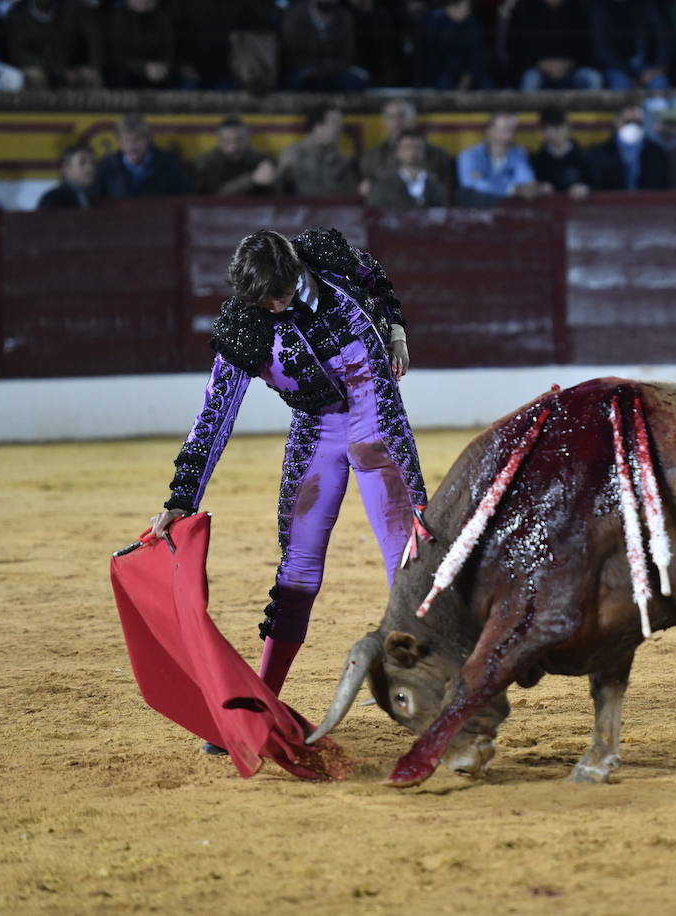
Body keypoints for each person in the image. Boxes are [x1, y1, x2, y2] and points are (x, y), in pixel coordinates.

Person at [146, 228, 429, 729]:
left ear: (294, 270)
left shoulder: (323, 253)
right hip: (317, 430)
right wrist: (182, 497)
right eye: (263, 301)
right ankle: (258, 706)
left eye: (278, 296)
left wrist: (398, 331)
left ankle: (424, 686)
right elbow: (215, 414)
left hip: (376, 419)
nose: (274, 308)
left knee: (407, 560)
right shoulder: (245, 323)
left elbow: (379, 282)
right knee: (297, 569)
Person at [358, 99, 455, 198]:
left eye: (402, 116)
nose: (396, 122)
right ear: (384, 122)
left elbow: (447, 192)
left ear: (413, 119)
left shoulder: (439, 156)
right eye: (390, 117)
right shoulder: (370, 157)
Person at [4, 0, 104, 90]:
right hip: (42, 71)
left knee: (89, 76)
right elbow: (17, 53)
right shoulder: (18, 14)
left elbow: (91, 43)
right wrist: (54, 73)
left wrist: (89, 67)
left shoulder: (74, 9)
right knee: (34, 76)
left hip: (71, 70)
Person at [455, 112, 550, 206]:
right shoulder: (469, 156)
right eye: (504, 130)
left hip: (511, 212)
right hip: (477, 213)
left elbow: (526, 181)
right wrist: (511, 189)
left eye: (512, 130)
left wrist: (532, 188)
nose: (509, 135)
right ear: (490, 131)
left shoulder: (519, 153)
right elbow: (471, 185)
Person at [92, 113, 192, 200]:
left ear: (148, 140)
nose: (132, 146)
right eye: (127, 140)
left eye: (138, 140)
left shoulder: (168, 164)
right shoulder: (106, 166)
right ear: (120, 143)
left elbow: (185, 197)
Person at [508, 0, 603, 91]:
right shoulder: (524, 6)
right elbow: (518, 48)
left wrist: (568, 64)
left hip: (572, 70)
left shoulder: (578, 7)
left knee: (592, 78)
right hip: (537, 69)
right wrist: (539, 64)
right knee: (529, 79)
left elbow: (586, 48)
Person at [281, 0, 369, 91]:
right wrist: (313, 68)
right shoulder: (296, 14)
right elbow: (291, 52)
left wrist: (327, 69)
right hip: (303, 70)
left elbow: (346, 56)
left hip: (334, 72)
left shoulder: (344, 17)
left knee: (355, 82)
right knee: (295, 82)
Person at [278, 105, 361, 197]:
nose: (340, 128)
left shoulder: (343, 159)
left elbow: (351, 190)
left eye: (341, 123)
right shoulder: (293, 154)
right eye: (334, 122)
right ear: (317, 128)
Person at [588, 0, 673, 90]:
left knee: (660, 83)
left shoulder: (645, 4)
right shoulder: (599, 8)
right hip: (618, 67)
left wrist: (658, 67)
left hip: (646, 66)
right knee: (620, 85)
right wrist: (630, 75)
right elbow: (603, 50)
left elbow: (663, 37)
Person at [587, 103, 671, 191]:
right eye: (627, 122)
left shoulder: (657, 153)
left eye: (637, 122)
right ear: (617, 122)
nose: (632, 126)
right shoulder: (599, 153)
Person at [195, 117, 286, 197]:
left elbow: (277, 196)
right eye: (228, 141)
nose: (234, 146)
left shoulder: (261, 159)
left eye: (239, 140)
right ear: (219, 141)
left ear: (247, 139)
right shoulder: (208, 161)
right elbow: (215, 196)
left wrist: (273, 180)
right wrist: (252, 180)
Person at [365, 130, 451, 210]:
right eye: (407, 147)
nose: (412, 152)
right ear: (398, 152)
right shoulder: (383, 183)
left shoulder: (436, 183)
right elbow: (375, 212)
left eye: (417, 147)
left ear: (424, 151)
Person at [418, 0, 491, 90]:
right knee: (443, 83)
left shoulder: (471, 24)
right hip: (442, 73)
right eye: (465, 7)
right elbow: (432, 56)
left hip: (467, 73)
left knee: (486, 84)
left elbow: (476, 54)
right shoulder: (435, 22)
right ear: (452, 7)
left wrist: (467, 77)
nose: (468, 11)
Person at [105, 0, 176, 89]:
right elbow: (115, 55)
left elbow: (169, 49)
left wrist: (164, 67)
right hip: (124, 79)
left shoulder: (162, 17)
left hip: (158, 77)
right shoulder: (117, 18)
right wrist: (143, 68)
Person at [531, 105, 595, 200]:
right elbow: (528, 187)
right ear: (543, 131)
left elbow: (599, 184)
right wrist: (538, 188)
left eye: (560, 127)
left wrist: (586, 188)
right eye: (552, 128)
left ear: (569, 128)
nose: (557, 133)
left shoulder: (585, 157)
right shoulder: (536, 161)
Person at [36, 144, 96, 210]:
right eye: (82, 163)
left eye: (92, 163)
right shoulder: (53, 199)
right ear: (67, 169)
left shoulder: (98, 198)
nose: (90, 168)